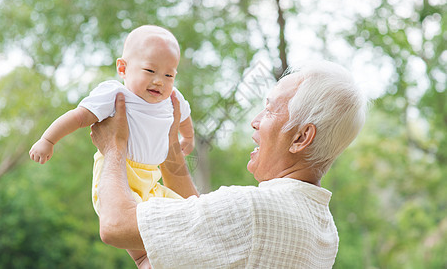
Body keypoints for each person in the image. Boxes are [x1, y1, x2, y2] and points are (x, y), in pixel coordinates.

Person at [90, 60, 368, 268]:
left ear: (301, 137)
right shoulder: (325, 231)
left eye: (270, 109)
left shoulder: (253, 211)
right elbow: (205, 227)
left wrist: (114, 148)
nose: (256, 120)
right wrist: (170, 148)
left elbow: (115, 226)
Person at [29, 25, 194, 237]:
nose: (159, 81)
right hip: (117, 174)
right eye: (150, 71)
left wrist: (188, 138)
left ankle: (156, 252)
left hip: (151, 178)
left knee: (187, 211)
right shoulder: (115, 94)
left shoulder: (173, 98)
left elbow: (185, 119)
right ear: (123, 68)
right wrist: (48, 140)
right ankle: (141, 255)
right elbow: (78, 116)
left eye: (169, 75)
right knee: (129, 222)